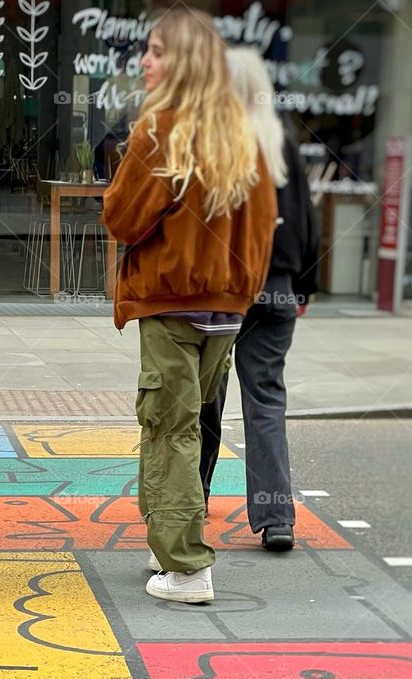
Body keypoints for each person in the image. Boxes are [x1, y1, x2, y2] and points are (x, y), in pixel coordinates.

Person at [103, 9, 277, 604]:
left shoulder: (163, 130)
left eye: (156, 51)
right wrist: (242, 290)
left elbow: (121, 218)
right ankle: (167, 543)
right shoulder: (241, 131)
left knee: (168, 426)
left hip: (172, 299)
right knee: (188, 424)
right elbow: (261, 230)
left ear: (185, 62)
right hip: (225, 307)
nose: (145, 62)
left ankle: (185, 567)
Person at [199, 45, 320, 552]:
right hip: (278, 288)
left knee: (205, 399)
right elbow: (305, 217)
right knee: (266, 398)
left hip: (227, 287)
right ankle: (277, 518)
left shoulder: (215, 141)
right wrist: (304, 285)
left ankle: (190, 504)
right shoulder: (280, 138)